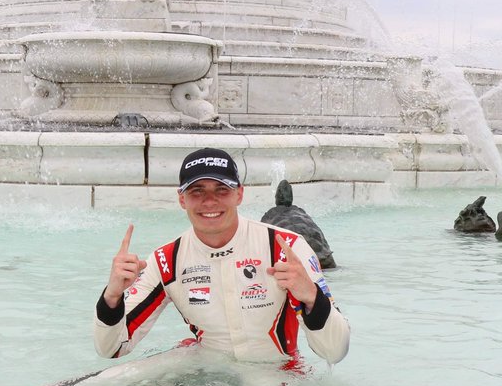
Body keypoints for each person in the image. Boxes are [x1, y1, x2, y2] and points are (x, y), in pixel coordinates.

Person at [94, 147, 350, 366]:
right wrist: (112, 296)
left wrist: (311, 296)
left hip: (276, 373)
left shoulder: (286, 248)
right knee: (101, 385)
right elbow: (112, 348)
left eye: (221, 190)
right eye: (197, 191)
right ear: (182, 199)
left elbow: (335, 352)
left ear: (240, 193)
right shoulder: (166, 260)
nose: (209, 201)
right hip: (204, 367)